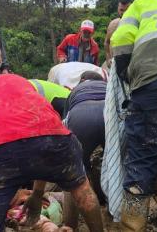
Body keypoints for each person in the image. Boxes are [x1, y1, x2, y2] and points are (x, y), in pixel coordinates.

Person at [0, 74, 103, 231]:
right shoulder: (19, 80)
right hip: (55, 137)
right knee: (83, 192)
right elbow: (37, 137)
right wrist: (37, 194)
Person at [111, 0, 157, 230]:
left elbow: (121, 39)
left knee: (141, 162)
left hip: (153, 83)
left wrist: (128, 75)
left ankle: (132, 226)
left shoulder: (142, 3)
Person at [63, 71, 107, 230]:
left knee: (74, 170)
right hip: (108, 114)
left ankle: (70, 224)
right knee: (113, 164)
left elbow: (65, 123)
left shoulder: (76, 90)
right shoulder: (107, 86)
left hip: (81, 116)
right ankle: (112, 211)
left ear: (82, 80)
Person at [104, 0, 132, 68]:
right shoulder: (113, 24)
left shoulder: (137, 24)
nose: (124, 13)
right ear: (118, 9)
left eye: (127, 10)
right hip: (114, 64)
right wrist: (108, 59)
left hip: (132, 64)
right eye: (121, 10)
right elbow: (106, 43)